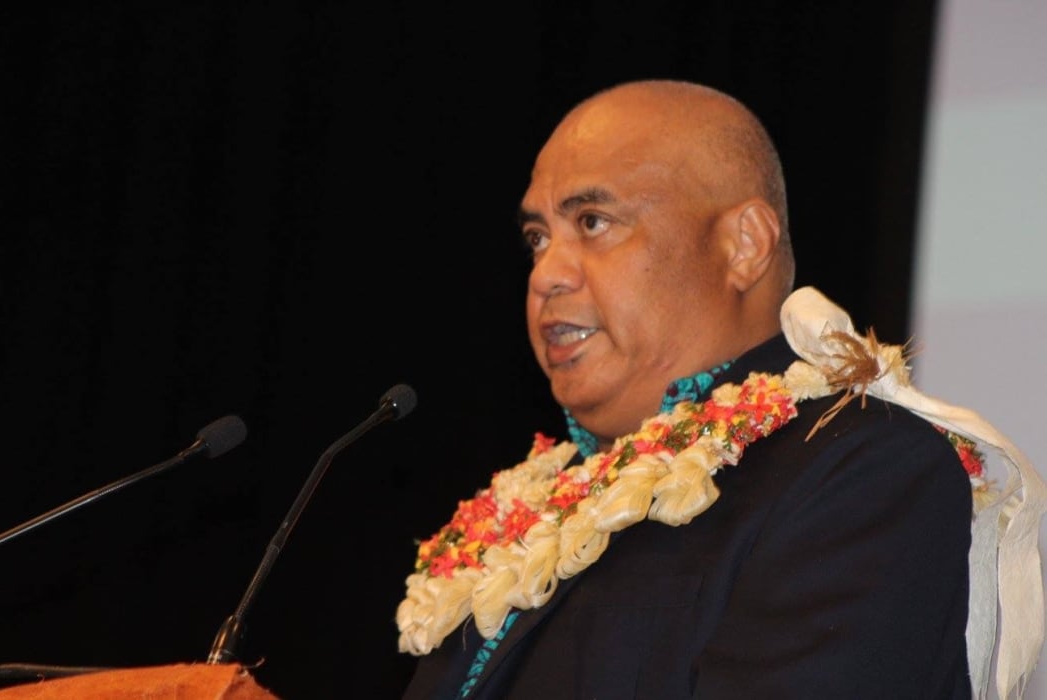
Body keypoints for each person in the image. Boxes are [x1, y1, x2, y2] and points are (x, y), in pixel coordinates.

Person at [395, 79, 1046, 699]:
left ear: (744, 246)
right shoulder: (535, 508)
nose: (546, 274)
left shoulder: (858, 472)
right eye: (538, 238)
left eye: (593, 222)